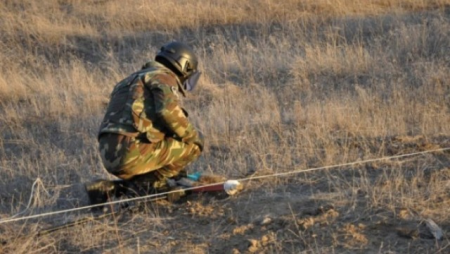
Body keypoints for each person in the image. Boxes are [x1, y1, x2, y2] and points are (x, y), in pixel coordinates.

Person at [86, 41, 204, 205]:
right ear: (185, 66)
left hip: (108, 153)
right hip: (132, 151)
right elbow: (167, 112)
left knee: (161, 145)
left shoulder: (128, 81)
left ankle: (110, 188)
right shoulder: (163, 76)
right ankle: (153, 186)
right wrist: (192, 136)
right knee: (195, 145)